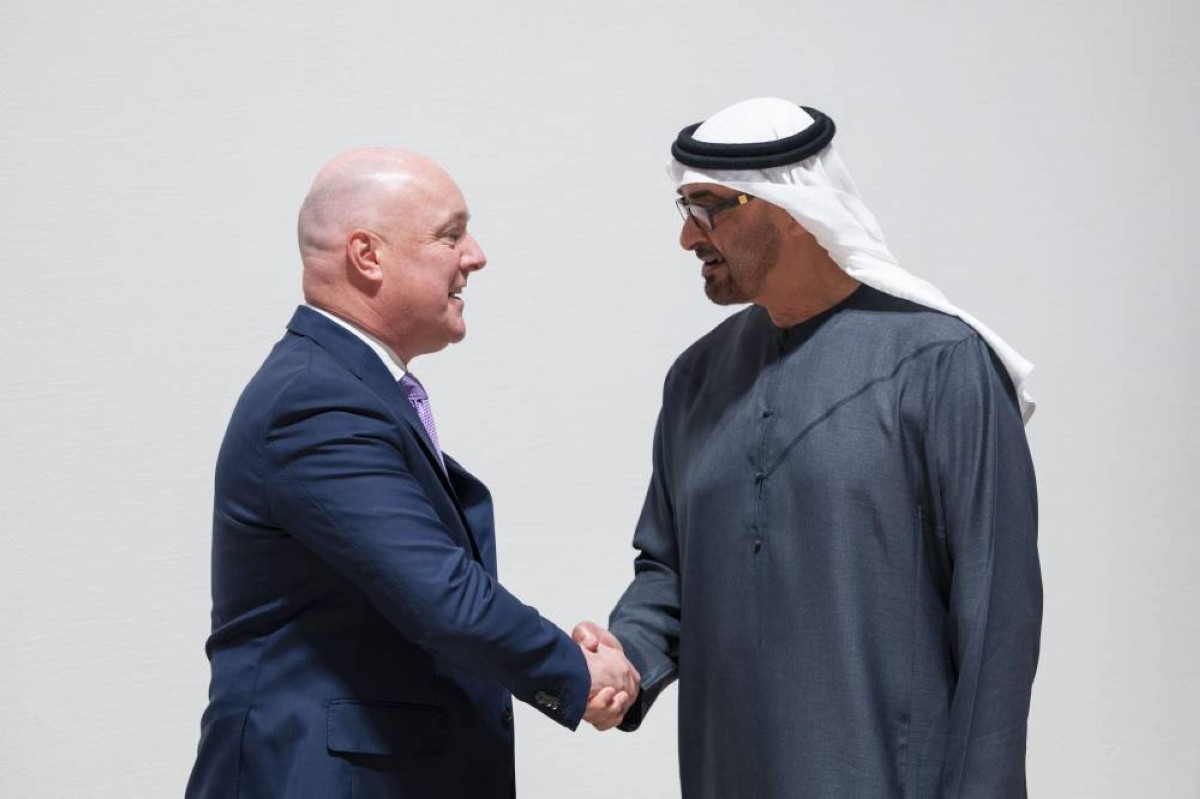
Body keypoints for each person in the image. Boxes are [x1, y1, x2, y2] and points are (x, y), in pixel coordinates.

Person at [574, 99, 1042, 798]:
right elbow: (668, 566)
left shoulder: (942, 363)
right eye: (685, 209)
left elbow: (997, 611)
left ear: (791, 208)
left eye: (709, 209)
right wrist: (627, 656)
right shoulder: (697, 378)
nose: (689, 237)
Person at [187, 147, 638, 798]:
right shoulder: (314, 401)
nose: (475, 256)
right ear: (367, 255)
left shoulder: (341, 386)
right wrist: (576, 670)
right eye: (450, 235)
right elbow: (443, 595)